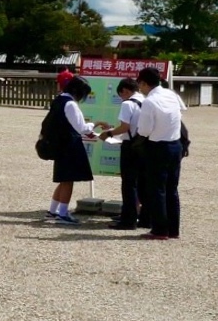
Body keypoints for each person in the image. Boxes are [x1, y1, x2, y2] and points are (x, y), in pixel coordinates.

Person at [135, 66, 186, 240]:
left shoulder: (149, 101)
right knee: (172, 188)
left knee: (157, 189)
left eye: (140, 85)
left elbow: (144, 130)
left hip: (158, 147)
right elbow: (181, 112)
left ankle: (159, 229)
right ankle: (173, 229)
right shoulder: (171, 94)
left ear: (143, 83)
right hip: (175, 144)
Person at [44, 74, 96, 223]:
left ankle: (53, 210)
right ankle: (63, 213)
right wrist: (94, 124)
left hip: (60, 145)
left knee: (63, 179)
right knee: (68, 180)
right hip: (69, 146)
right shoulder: (70, 104)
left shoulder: (59, 99)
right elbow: (81, 128)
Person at [98, 77, 146, 229]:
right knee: (142, 182)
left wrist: (109, 133)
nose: (121, 99)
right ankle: (143, 216)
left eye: (121, 95)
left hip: (131, 146)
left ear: (125, 90)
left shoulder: (128, 104)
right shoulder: (146, 101)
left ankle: (128, 219)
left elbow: (124, 127)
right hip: (145, 144)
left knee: (128, 183)